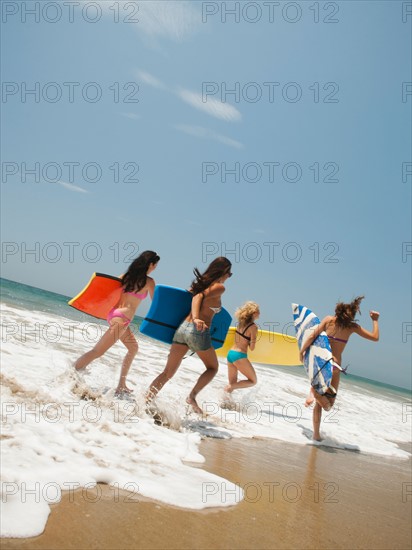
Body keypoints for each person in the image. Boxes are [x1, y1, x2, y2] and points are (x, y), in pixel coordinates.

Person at [146, 256, 232, 414]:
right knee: (213, 368)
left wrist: (194, 317)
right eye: (229, 273)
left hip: (181, 329)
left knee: (167, 373)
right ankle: (192, 397)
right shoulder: (219, 287)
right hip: (197, 331)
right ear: (223, 271)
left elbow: (194, 296)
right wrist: (197, 317)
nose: (229, 277)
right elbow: (198, 298)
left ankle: (145, 401)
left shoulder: (200, 285)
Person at [74, 251, 160, 395]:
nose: (155, 268)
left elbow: (107, 295)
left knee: (133, 348)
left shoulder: (124, 277)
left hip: (115, 317)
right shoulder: (149, 282)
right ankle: (72, 373)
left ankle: (121, 385)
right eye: (155, 265)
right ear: (151, 264)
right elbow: (156, 302)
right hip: (122, 320)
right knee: (98, 351)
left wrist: (98, 310)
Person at [299, 296, 380, 440]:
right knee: (328, 405)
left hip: (322, 365)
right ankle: (315, 396)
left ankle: (316, 431)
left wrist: (302, 352)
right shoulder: (352, 327)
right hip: (335, 366)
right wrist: (375, 320)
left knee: (322, 403)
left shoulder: (329, 320)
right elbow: (375, 337)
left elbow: (312, 336)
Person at [224, 301, 260, 396]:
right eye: (258, 311)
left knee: (232, 383)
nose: (259, 313)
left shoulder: (240, 323)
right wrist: (254, 339)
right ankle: (228, 389)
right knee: (253, 381)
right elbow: (252, 348)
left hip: (231, 354)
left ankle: (225, 402)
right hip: (239, 355)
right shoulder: (253, 327)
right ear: (253, 313)